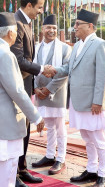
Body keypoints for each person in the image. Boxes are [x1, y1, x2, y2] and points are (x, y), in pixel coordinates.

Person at [0, 12, 45, 187]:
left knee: (2, 167)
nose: (16, 35)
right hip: (5, 120)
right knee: (8, 167)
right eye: (16, 31)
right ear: (10, 33)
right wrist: (36, 116)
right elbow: (17, 90)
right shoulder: (4, 54)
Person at [49, 9, 105, 187]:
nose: (74, 27)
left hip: (92, 103)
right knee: (86, 137)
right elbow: (68, 69)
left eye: (78, 24)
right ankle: (92, 170)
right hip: (77, 101)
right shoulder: (77, 45)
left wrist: (98, 101)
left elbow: (102, 76)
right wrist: (53, 69)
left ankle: (104, 174)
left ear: (90, 26)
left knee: (98, 138)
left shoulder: (100, 44)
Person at [10, 0, 53, 187]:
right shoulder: (16, 24)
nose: (40, 12)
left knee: (25, 129)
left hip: (26, 85)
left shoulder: (26, 23)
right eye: (39, 7)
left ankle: (22, 168)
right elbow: (19, 60)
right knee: (18, 130)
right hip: (16, 87)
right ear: (28, 5)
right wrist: (42, 69)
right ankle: (14, 175)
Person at [31, 15, 71, 174]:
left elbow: (66, 71)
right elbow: (31, 69)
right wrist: (35, 88)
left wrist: (48, 89)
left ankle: (60, 158)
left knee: (60, 127)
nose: (51, 31)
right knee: (49, 126)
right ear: (42, 29)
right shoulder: (36, 47)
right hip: (40, 93)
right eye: (48, 27)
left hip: (57, 93)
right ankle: (49, 155)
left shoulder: (65, 48)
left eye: (54, 28)